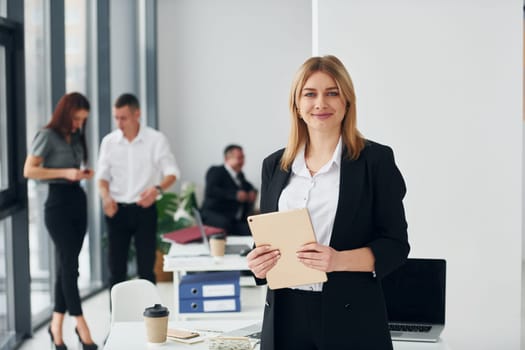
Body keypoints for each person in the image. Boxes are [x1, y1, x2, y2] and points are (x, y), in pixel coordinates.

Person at [246, 55, 410, 350]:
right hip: (284, 317)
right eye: (310, 94)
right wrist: (259, 263)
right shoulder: (274, 165)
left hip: (351, 318)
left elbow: (396, 246)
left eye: (332, 93)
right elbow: (270, 238)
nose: (320, 103)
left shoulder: (375, 161)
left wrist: (338, 261)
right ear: (296, 104)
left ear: (347, 101)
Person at [23, 92, 98, 350]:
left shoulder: (75, 136)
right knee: (70, 268)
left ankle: (55, 326)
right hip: (57, 207)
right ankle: (81, 325)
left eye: (83, 120)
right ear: (66, 113)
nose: (79, 124)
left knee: (66, 266)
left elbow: (73, 166)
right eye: (77, 118)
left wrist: (80, 174)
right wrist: (65, 172)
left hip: (78, 201)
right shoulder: (47, 136)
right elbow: (29, 170)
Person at [96, 93, 180, 288]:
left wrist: (157, 190)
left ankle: (149, 317)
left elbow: (172, 172)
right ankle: (116, 318)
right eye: (116, 117)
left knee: (146, 269)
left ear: (137, 114)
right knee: (116, 270)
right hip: (116, 210)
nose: (119, 123)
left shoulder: (156, 139)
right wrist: (106, 197)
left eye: (123, 117)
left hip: (145, 209)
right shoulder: (109, 142)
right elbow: (102, 178)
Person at [200, 144, 257, 235]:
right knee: (224, 225)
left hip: (233, 220)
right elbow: (211, 190)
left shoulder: (240, 175)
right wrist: (235, 195)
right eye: (238, 158)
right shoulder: (216, 171)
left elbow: (248, 186)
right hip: (214, 215)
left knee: (253, 230)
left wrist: (252, 191)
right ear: (227, 159)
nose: (242, 161)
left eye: (243, 158)